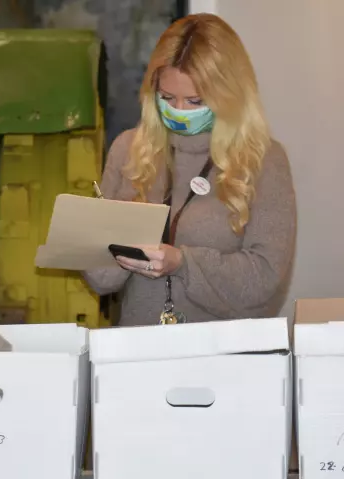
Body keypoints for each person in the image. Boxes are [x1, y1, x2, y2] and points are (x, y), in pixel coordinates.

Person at [84, 13, 297, 326]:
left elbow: (265, 280)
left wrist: (183, 263)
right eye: (167, 98)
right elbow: (100, 280)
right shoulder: (128, 148)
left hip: (225, 349)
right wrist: (113, 232)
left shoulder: (264, 159)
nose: (179, 111)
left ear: (228, 95)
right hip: (138, 345)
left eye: (195, 101)